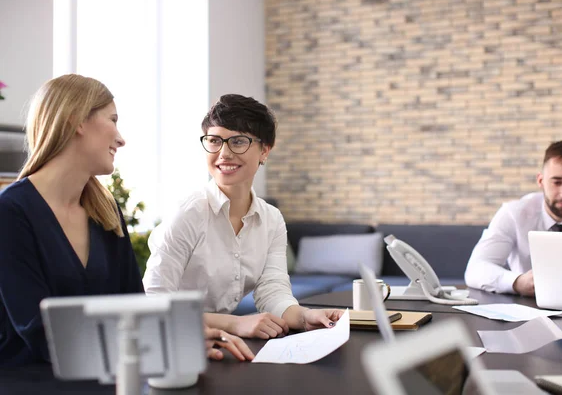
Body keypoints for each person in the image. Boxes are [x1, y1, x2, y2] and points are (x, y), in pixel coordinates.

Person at [0, 74, 251, 366]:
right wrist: (162, 341)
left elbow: (133, 307)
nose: (121, 138)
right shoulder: (11, 213)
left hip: (110, 376)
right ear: (75, 120)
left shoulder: (104, 211)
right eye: (113, 119)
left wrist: (185, 335)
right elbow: (40, 333)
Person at [143, 94, 343, 339]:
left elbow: (272, 291)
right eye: (214, 141)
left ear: (265, 150)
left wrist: (305, 317)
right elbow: (154, 303)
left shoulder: (271, 219)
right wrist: (234, 324)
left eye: (238, 141)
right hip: (172, 342)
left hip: (220, 342)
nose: (224, 153)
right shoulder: (189, 213)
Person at [464, 140, 562, 297]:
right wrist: (517, 282)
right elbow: (476, 269)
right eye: (557, 182)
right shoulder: (514, 213)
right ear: (541, 180)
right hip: (528, 307)